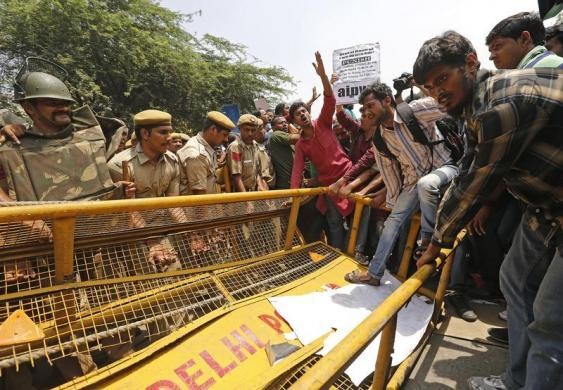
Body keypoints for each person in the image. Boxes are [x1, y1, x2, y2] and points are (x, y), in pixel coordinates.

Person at [413, 30, 563, 390]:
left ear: (470, 63)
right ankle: (517, 378)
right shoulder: (477, 106)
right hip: (547, 206)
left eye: (442, 79)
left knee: (550, 321)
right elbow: (467, 166)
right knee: (515, 276)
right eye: (430, 89)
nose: (438, 93)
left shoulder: (500, 101)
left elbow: (472, 186)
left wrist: (435, 245)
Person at [343, 81, 458, 287]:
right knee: (392, 222)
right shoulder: (379, 139)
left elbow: (447, 104)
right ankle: (374, 273)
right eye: (363, 109)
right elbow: (390, 175)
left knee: (427, 184)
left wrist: (423, 85)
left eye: (371, 106)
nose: (366, 112)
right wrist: (393, 202)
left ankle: (427, 241)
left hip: (446, 168)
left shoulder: (412, 111)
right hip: (413, 184)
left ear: (387, 101)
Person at [289, 52, 353, 251]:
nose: (302, 114)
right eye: (298, 115)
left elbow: (329, 99)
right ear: (294, 122)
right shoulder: (301, 144)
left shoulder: (324, 122)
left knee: (356, 220)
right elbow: (297, 171)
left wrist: (323, 76)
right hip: (329, 187)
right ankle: (338, 256)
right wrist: (293, 196)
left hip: (350, 178)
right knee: (334, 224)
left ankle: (357, 253)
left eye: (303, 111)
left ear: (308, 112)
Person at [108, 109, 183, 270]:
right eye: (163, 132)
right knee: (145, 284)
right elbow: (129, 210)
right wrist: (153, 243)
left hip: (158, 229)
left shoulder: (172, 161)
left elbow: (174, 203)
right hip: (127, 233)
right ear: (145, 134)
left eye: (170, 132)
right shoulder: (120, 164)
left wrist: (192, 232)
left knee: (175, 272)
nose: (169, 137)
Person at [177, 111, 235, 195]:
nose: (226, 139)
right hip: (198, 207)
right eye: (224, 135)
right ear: (213, 130)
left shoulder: (208, 148)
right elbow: (200, 197)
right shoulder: (197, 155)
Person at [486, 11, 563, 69]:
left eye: (497, 46)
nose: (491, 57)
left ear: (524, 39)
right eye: (491, 51)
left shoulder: (531, 75)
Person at [227, 114, 263, 192]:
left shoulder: (255, 145)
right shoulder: (235, 147)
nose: (250, 133)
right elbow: (236, 177)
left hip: (253, 192)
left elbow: (256, 171)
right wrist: (247, 201)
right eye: (247, 130)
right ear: (240, 129)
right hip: (240, 196)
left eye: (253, 130)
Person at [255, 119, 276, 189]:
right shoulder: (258, 149)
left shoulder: (261, 146)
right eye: (261, 129)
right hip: (267, 188)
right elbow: (264, 176)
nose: (264, 131)